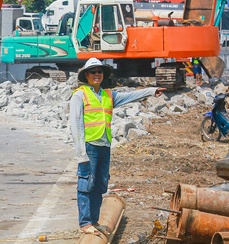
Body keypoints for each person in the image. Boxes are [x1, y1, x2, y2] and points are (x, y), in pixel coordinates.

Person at [69, 58, 165, 234]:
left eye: (99, 71)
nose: (96, 74)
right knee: (86, 184)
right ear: (87, 75)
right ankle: (85, 223)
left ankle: (94, 221)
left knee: (100, 185)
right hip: (89, 147)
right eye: (93, 72)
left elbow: (131, 96)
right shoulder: (79, 95)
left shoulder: (108, 95)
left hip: (104, 146)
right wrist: (81, 153)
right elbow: (75, 125)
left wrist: (152, 90)